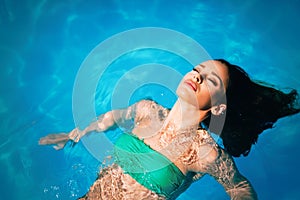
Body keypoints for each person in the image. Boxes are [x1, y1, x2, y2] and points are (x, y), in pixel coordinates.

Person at [39, 59, 299, 199]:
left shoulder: (204, 152)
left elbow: (239, 187)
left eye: (211, 80)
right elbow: (110, 119)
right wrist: (75, 135)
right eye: (198, 70)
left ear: (219, 108)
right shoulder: (146, 110)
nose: (196, 76)